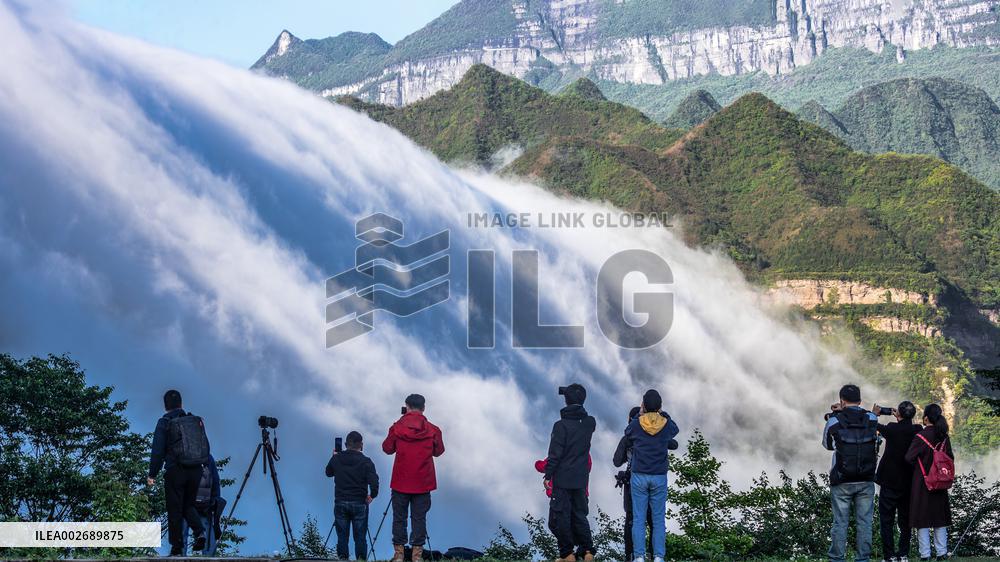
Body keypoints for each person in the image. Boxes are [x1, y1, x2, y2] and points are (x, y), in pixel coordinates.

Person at [383, 394, 445, 562]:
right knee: (419, 519)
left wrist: (402, 421)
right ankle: (417, 556)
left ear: (407, 407)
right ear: (423, 408)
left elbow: (387, 448)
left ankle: (399, 555)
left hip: (401, 481)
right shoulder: (433, 430)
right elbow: (439, 452)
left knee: (399, 518)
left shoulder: (397, 427)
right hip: (423, 482)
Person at [613, 405, 679, 562]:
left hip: (634, 482)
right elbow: (674, 444)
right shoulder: (657, 434)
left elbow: (616, 461)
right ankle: (655, 555)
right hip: (656, 478)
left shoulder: (629, 437)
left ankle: (633, 556)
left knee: (633, 520)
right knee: (655, 521)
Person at [148, 389, 208, 556]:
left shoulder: (164, 422)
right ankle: (199, 532)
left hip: (176, 470)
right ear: (181, 404)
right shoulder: (194, 421)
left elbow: (158, 450)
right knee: (188, 505)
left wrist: (152, 474)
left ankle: (176, 549)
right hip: (196, 469)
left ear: (165, 406)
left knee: (174, 510)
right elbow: (203, 445)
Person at [822, 384, 879, 562]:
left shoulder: (834, 420)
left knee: (840, 522)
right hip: (866, 478)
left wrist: (836, 414)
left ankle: (837, 559)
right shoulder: (871, 417)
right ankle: (863, 559)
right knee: (864, 522)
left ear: (841, 400)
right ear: (860, 401)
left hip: (842, 479)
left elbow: (828, 445)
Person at [544, 383, 596, 562]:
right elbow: (581, 416)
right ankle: (588, 551)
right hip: (581, 479)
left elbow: (554, 454)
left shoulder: (560, 426)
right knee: (579, 515)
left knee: (559, 517)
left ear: (566, 401)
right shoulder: (590, 423)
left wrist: (548, 475)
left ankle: (567, 554)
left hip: (563, 479)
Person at [905, 404, 955, 561]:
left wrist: (922, 468)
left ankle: (925, 555)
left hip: (923, 482)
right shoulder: (944, 437)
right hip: (940, 481)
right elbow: (950, 458)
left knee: (922, 519)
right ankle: (941, 552)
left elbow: (908, 458)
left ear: (926, 418)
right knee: (939, 518)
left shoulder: (921, 437)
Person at [873, 401, 921, 562]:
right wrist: (901, 417)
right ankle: (903, 554)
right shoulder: (917, 430)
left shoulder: (892, 429)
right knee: (905, 520)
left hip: (889, 481)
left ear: (898, 414)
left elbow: (873, 424)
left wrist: (876, 413)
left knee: (886, 520)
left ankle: (889, 556)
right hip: (908, 482)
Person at [327, 431, 380, 560]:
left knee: (342, 537)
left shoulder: (337, 458)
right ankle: (361, 559)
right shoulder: (367, 462)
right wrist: (372, 495)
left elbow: (328, 473)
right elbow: (374, 483)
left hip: (340, 501)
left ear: (345, 444)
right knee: (360, 537)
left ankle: (343, 559)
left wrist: (334, 456)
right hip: (360, 503)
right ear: (361, 445)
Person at [181, 454, 223, 556]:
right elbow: (215, 479)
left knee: (182, 532)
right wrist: (215, 499)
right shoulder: (207, 456)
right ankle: (209, 557)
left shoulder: (180, 454)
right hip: (204, 502)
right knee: (207, 530)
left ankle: (179, 557)